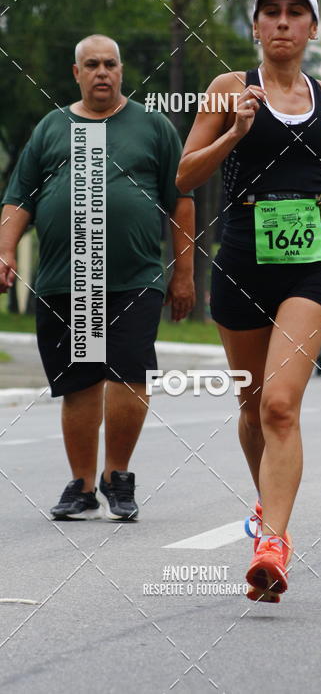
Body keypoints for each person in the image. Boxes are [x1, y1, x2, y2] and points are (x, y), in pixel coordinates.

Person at [176, 0, 321, 602]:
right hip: (240, 259)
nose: (283, 22)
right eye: (271, 12)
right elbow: (184, 175)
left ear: (312, 28)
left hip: (308, 263)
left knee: (281, 405)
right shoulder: (228, 89)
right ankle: (266, 503)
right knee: (252, 405)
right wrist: (234, 133)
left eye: (295, 13)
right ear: (256, 26)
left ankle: (273, 542)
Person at [0, 35, 195, 521]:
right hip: (67, 278)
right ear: (77, 73)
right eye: (92, 64)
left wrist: (184, 275)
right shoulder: (52, 127)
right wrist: (5, 250)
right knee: (80, 382)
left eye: (110, 63)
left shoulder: (153, 126)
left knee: (130, 374)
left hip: (135, 277)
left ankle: (118, 476)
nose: (102, 72)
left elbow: (181, 203)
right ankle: (83, 486)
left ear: (122, 71)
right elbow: (20, 197)